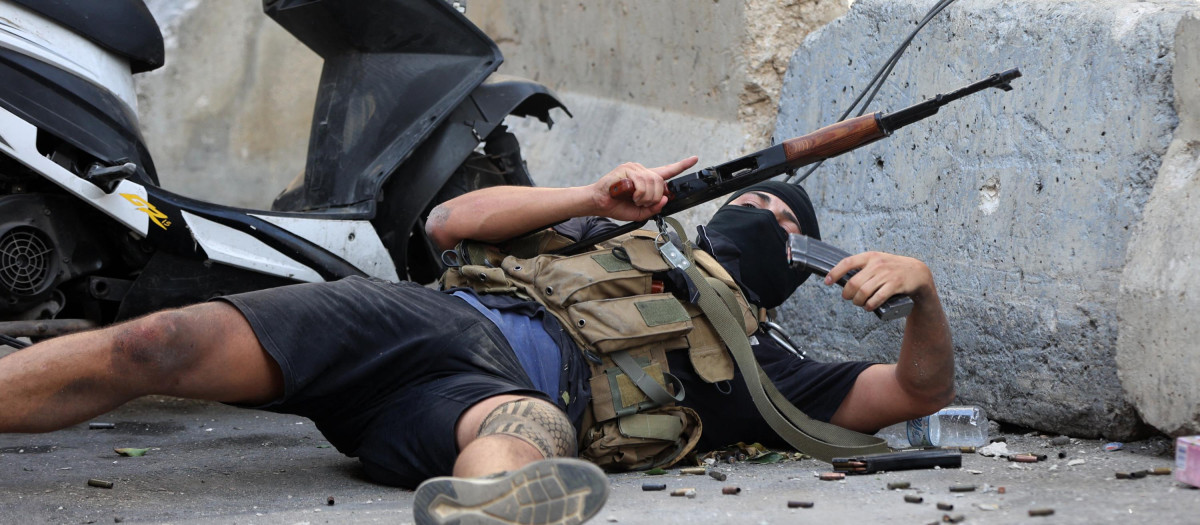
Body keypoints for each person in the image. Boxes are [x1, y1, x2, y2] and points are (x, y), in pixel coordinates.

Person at [0, 156, 953, 525]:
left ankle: (491, 512)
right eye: (747, 199)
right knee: (158, 345)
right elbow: (453, 220)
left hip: (480, 405)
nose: (756, 212)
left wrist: (923, 295)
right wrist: (593, 198)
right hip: (423, 320)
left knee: (527, 425)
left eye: (778, 218)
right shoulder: (607, 231)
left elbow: (912, 396)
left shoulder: (767, 362)